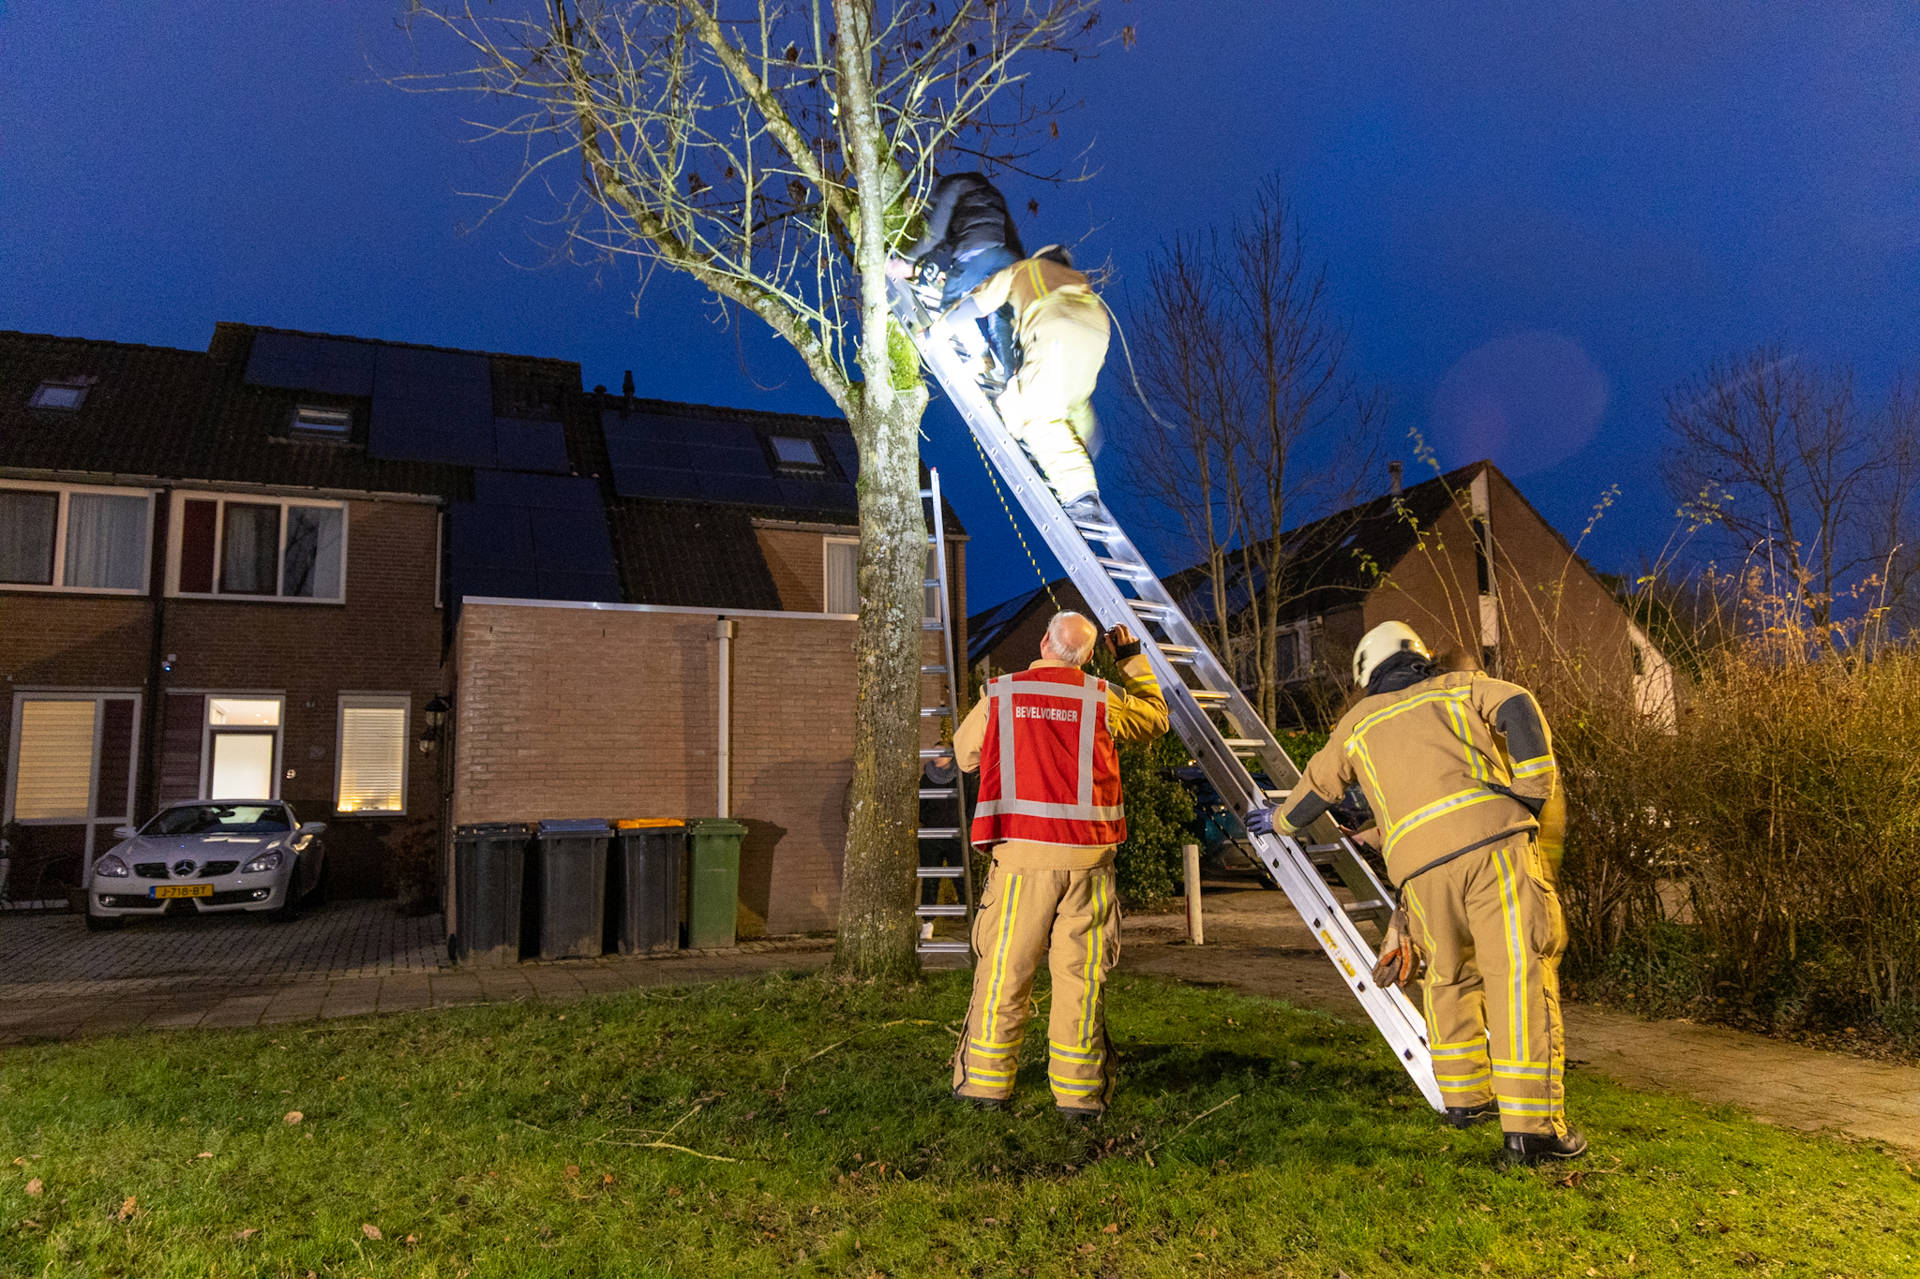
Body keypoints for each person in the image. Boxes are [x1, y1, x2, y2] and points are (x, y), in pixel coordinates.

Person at [1247, 621, 1584, 1167]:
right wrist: (1530, 789)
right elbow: (1518, 705)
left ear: (1366, 671)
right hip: (1495, 849)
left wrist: (1278, 821)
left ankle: (1466, 1099)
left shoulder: (1358, 723)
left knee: (1448, 976)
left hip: (1421, 873)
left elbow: (1318, 787)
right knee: (1516, 977)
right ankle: (1532, 1130)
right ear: (1418, 656)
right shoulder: (1457, 687)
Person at [946, 611, 1168, 1117]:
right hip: (1089, 863)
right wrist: (1130, 659)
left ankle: (985, 1087)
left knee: (1005, 972)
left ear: (1044, 642)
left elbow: (964, 755)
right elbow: (1156, 719)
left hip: (1021, 862)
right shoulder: (1102, 697)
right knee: (1080, 978)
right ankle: (1079, 1096)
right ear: (1088, 657)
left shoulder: (1001, 693)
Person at [943, 245, 1110, 517]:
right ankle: (1082, 435)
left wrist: (939, 328)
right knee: (1070, 399)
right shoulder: (1076, 281)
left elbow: (979, 301)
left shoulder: (1025, 270)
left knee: (1035, 416)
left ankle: (1079, 493)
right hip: (1096, 333)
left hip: (1056, 324)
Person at [887, 172, 1026, 375]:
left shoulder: (954, 189)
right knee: (1001, 318)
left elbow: (936, 235)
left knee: (952, 305)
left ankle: (980, 355)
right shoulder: (990, 196)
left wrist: (907, 261)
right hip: (1006, 258)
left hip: (976, 253)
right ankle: (1012, 378)